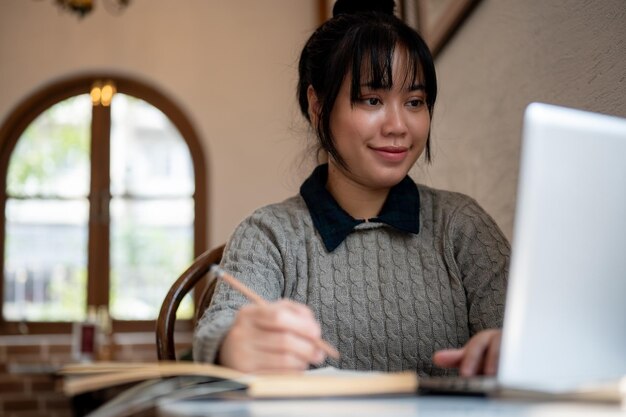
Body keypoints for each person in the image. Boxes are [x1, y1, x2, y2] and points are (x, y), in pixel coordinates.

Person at [194, 0, 510, 378]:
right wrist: (232, 345)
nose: (398, 125)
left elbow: (530, 340)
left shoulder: (461, 226)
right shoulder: (270, 234)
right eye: (372, 100)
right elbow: (217, 329)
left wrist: (511, 347)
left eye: (414, 102)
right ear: (318, 105)